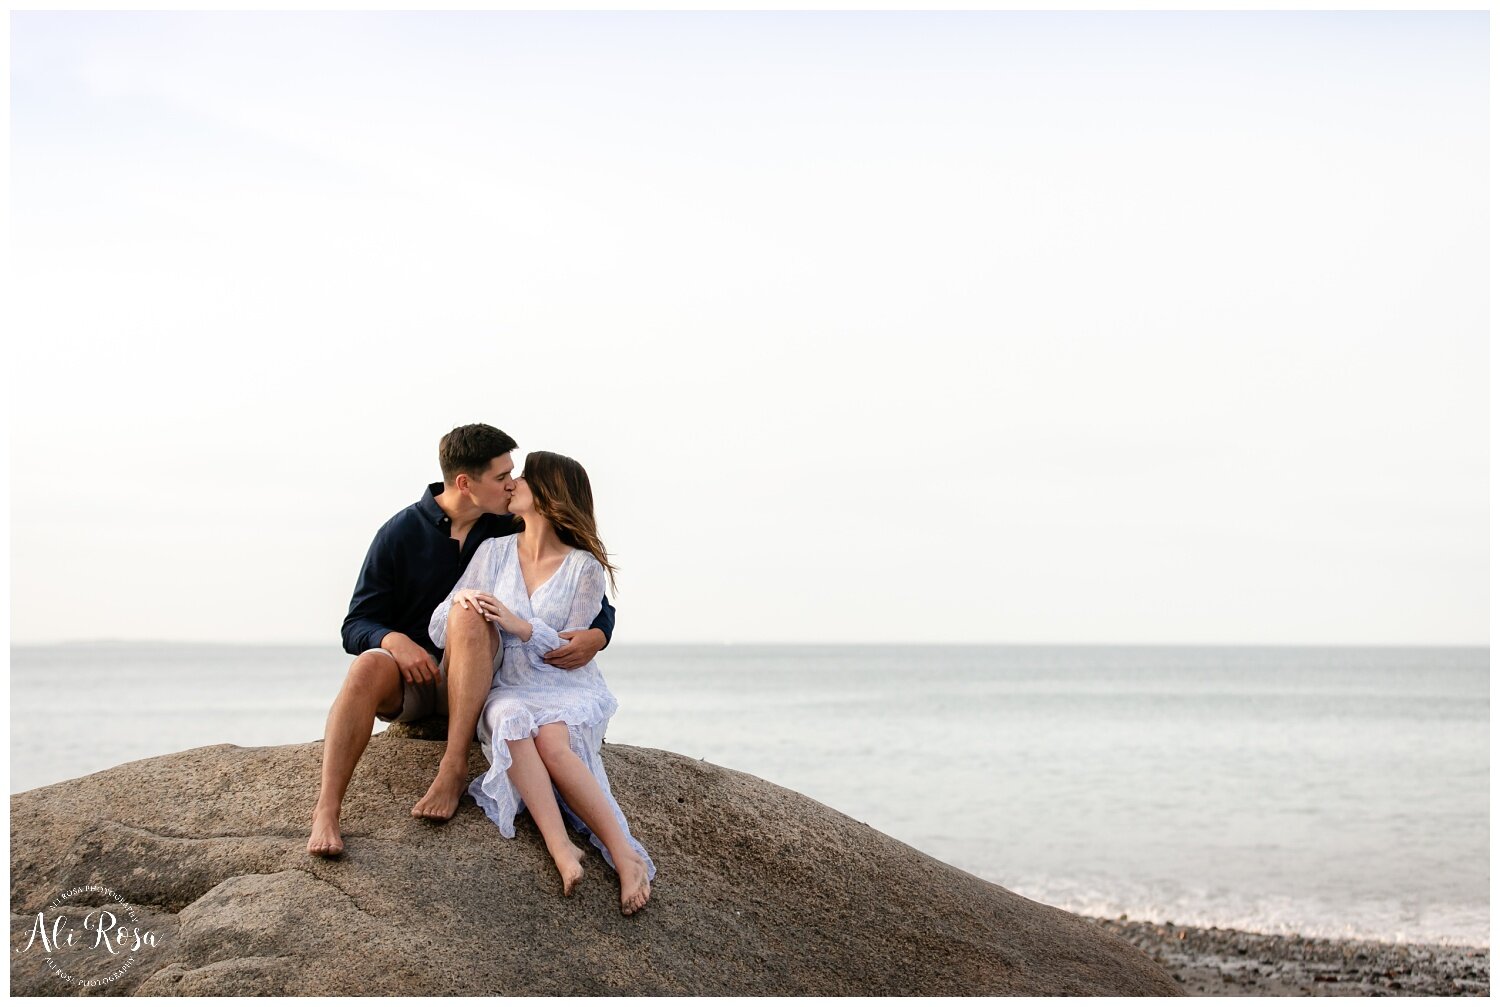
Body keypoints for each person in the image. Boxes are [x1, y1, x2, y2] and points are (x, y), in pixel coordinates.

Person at [306, 425, 617, 858]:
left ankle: (452, 768)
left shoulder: (509, 525)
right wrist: (395, 640)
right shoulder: (400, 534)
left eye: (514, 473)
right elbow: (356, 624)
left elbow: (569, 578)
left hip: (486, 675)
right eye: (502, 476)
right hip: (419, 680)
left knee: (469, 615)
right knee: (366, 666)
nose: (512, 483)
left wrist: (599, 633)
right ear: (465, 484)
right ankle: (326, 810)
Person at [430, 450, 652, 915]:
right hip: (507, 686)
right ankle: (560, 848)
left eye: (522, 479)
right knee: (510, 721)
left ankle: (625, 854)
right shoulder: (492, 552)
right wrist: (464, 606)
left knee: (552, 742)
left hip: (563, 686)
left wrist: (519, 624)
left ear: (549, 496)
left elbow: (565, 653)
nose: (512, 485)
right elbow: (438, 625)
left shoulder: (584, 568)